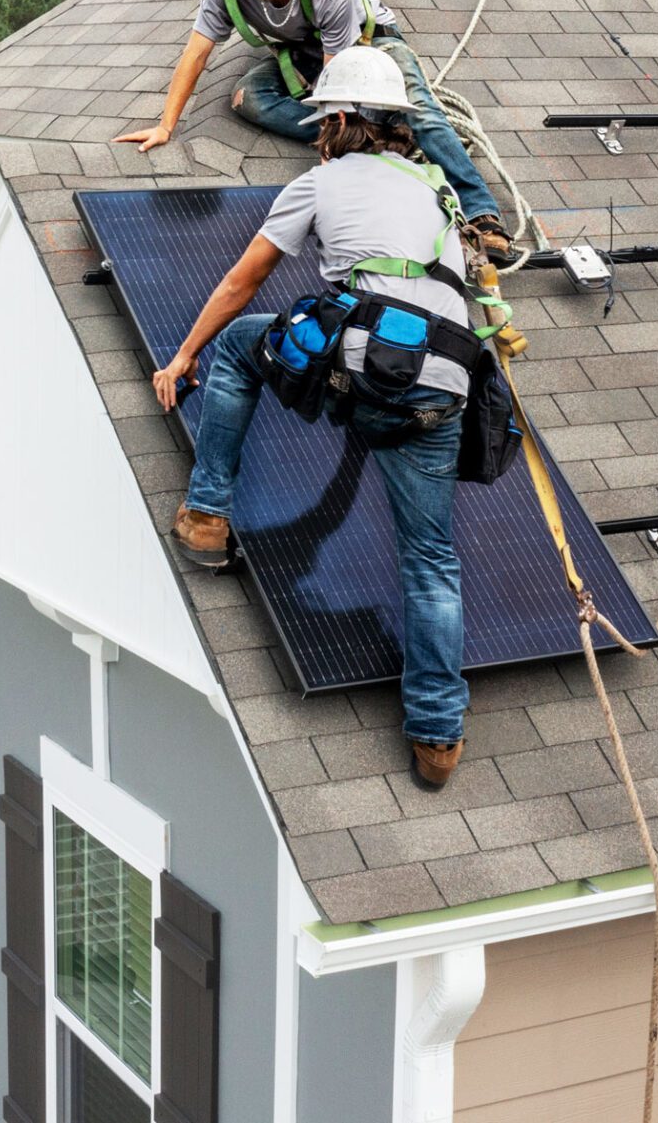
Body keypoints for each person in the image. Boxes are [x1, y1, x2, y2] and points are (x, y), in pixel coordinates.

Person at [149, 47, 479, 791]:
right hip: (444, 387)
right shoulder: (436, 189)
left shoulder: (319, 183)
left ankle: (206, 516)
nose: (318, 133)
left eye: (323, 121)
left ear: (339, 120)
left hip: (365, 370)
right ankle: (438, 736)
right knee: (431, 559)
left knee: (239, 348)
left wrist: (183, 356)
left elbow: (243, 281)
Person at [112, 0, 513, 261]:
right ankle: (381, 136)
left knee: (420, 110)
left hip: (371, 43)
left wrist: (333, 158)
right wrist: (166, 126)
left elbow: (338, 84)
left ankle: (482, 212)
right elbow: (197, 53)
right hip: (304, 49)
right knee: (249, 98)